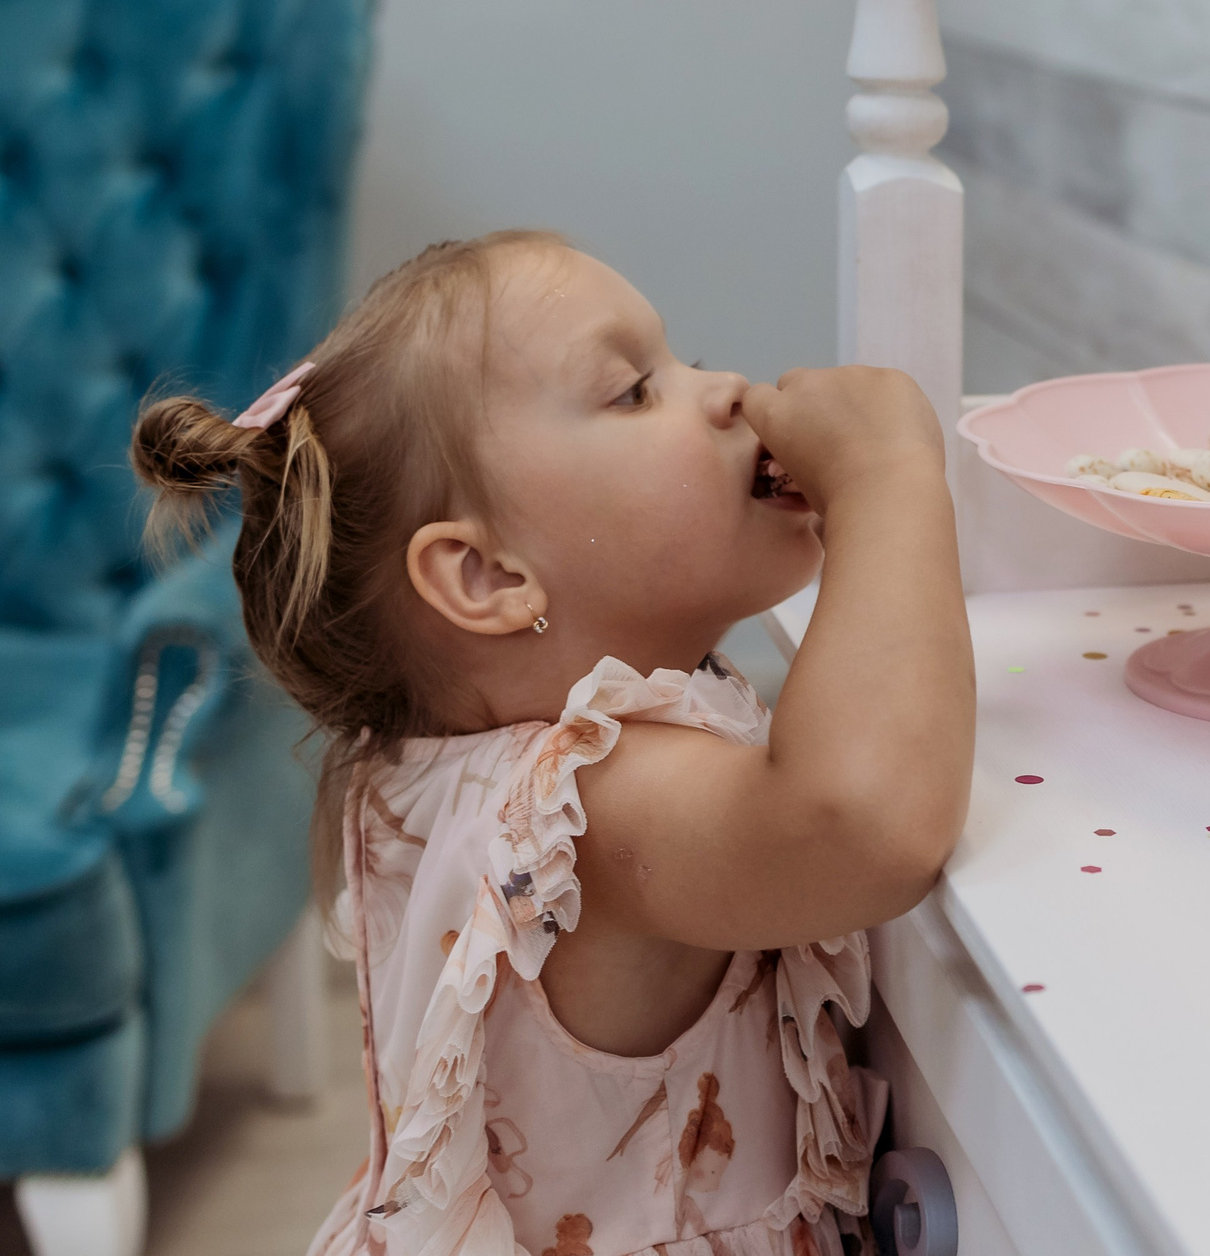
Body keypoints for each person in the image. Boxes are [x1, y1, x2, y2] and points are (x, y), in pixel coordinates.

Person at [130, 231, 974, 1256]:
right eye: (634, 390)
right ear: (486, 578)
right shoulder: (590, 812)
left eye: (683, 357)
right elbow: (862, 822)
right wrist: (891, 478)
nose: (728, 391)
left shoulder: (424, 761)